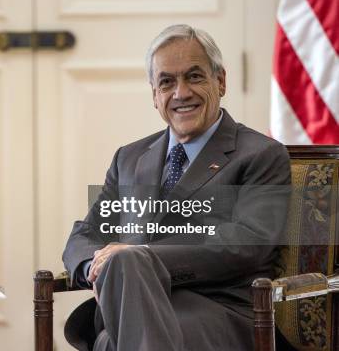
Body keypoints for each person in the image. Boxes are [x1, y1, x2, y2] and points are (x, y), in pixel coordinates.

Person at [62, 24, 291, 351]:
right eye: (166, 82)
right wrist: (95, 267)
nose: (181, 93)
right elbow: (84, 235)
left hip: (216, 309)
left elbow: (248, 242)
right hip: (126, 305)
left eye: (194, 77)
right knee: (122, 273)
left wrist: (141, 258)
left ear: (221, 81)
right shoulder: (130, 158)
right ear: (155, 95)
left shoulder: (260, 154)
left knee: (114, 339)